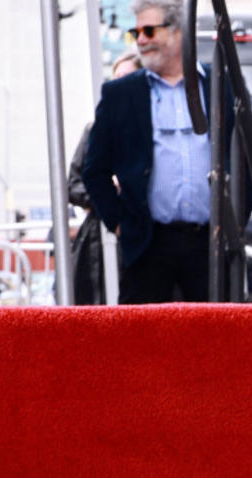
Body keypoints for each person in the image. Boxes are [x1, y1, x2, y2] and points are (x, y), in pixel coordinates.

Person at [81, 0, 226, 303]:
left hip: (208, 243)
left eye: (149, 30)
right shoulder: (120, 93)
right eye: (137, 33)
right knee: (141, 343)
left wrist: (232, 222)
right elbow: (93, 169)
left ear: (179, 31)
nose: (141, 40)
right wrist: (120, 223)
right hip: (148, 242)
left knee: (213, 342)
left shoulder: (219, 84)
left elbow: (247, 166)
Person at [68, 50, 143, 305]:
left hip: (140, 236)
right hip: (96, 242)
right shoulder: (95, 129)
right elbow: (73, 184)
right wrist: (104, 191)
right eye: (116, 78)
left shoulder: (153, 129)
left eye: (128, 77)